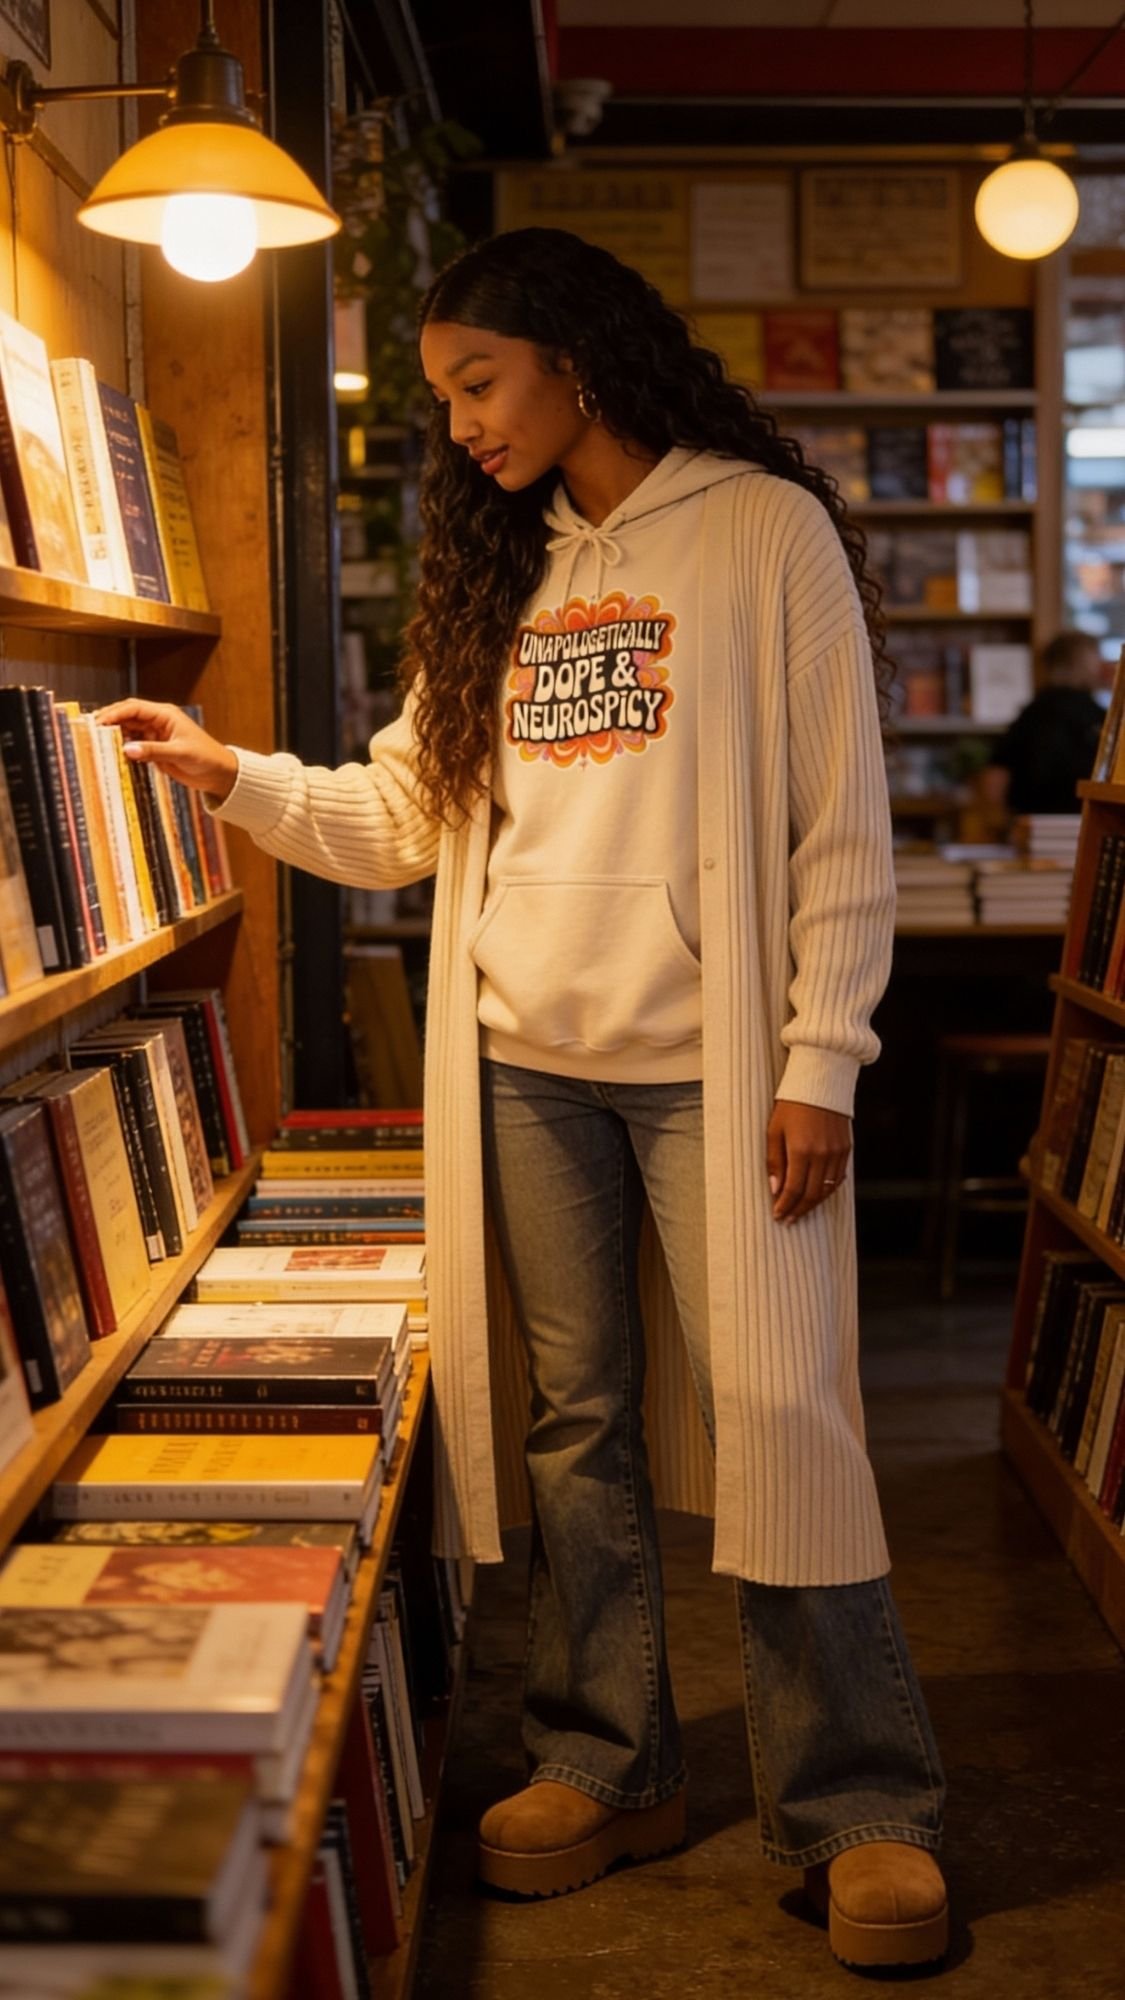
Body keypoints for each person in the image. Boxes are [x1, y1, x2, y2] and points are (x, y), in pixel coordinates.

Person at [96, 227, 948, 1975]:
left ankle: (859, 1805)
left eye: (479, 380)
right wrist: (234, 776)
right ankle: (610, 1757)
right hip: (526, 1069)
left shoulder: (759, 532)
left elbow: (842, 830)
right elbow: (405, 814)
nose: (463, 423)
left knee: (786, 1409)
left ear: (574, 353)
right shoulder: (509, 570)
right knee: (577, 1424)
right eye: (445, 396)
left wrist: (821, 1063)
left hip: (719, 1070)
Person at [975, 628, 1106, 831]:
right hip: (1086, 826)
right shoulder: (1098, 717)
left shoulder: (1031, 713)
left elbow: (995, 777)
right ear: (1086, 664)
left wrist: (999, 826)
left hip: (1031, 827)